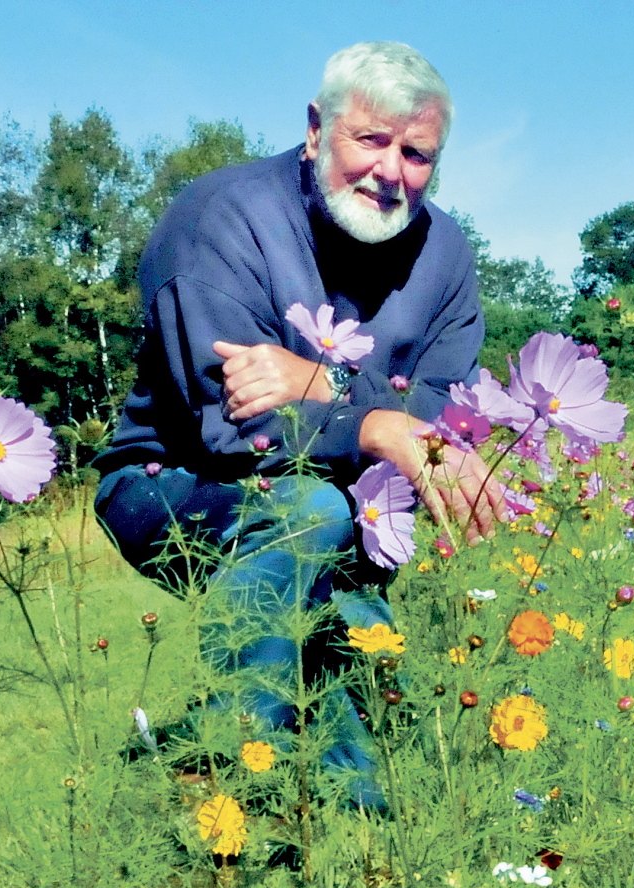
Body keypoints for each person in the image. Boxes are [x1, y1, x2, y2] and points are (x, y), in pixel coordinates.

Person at [95, 42, 509, 802]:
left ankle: (355, 829)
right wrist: (380, 424)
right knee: (308, 512)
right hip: (169, 485)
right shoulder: (219, 220)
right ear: (317, 129)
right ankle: (238, 780)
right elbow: (236, 429)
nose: (391, 172)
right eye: (372, 140)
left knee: (380, 699)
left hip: (351, 505)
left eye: (416, 154)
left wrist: (323, 382)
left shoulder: (445, 251)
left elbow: (451, 414)